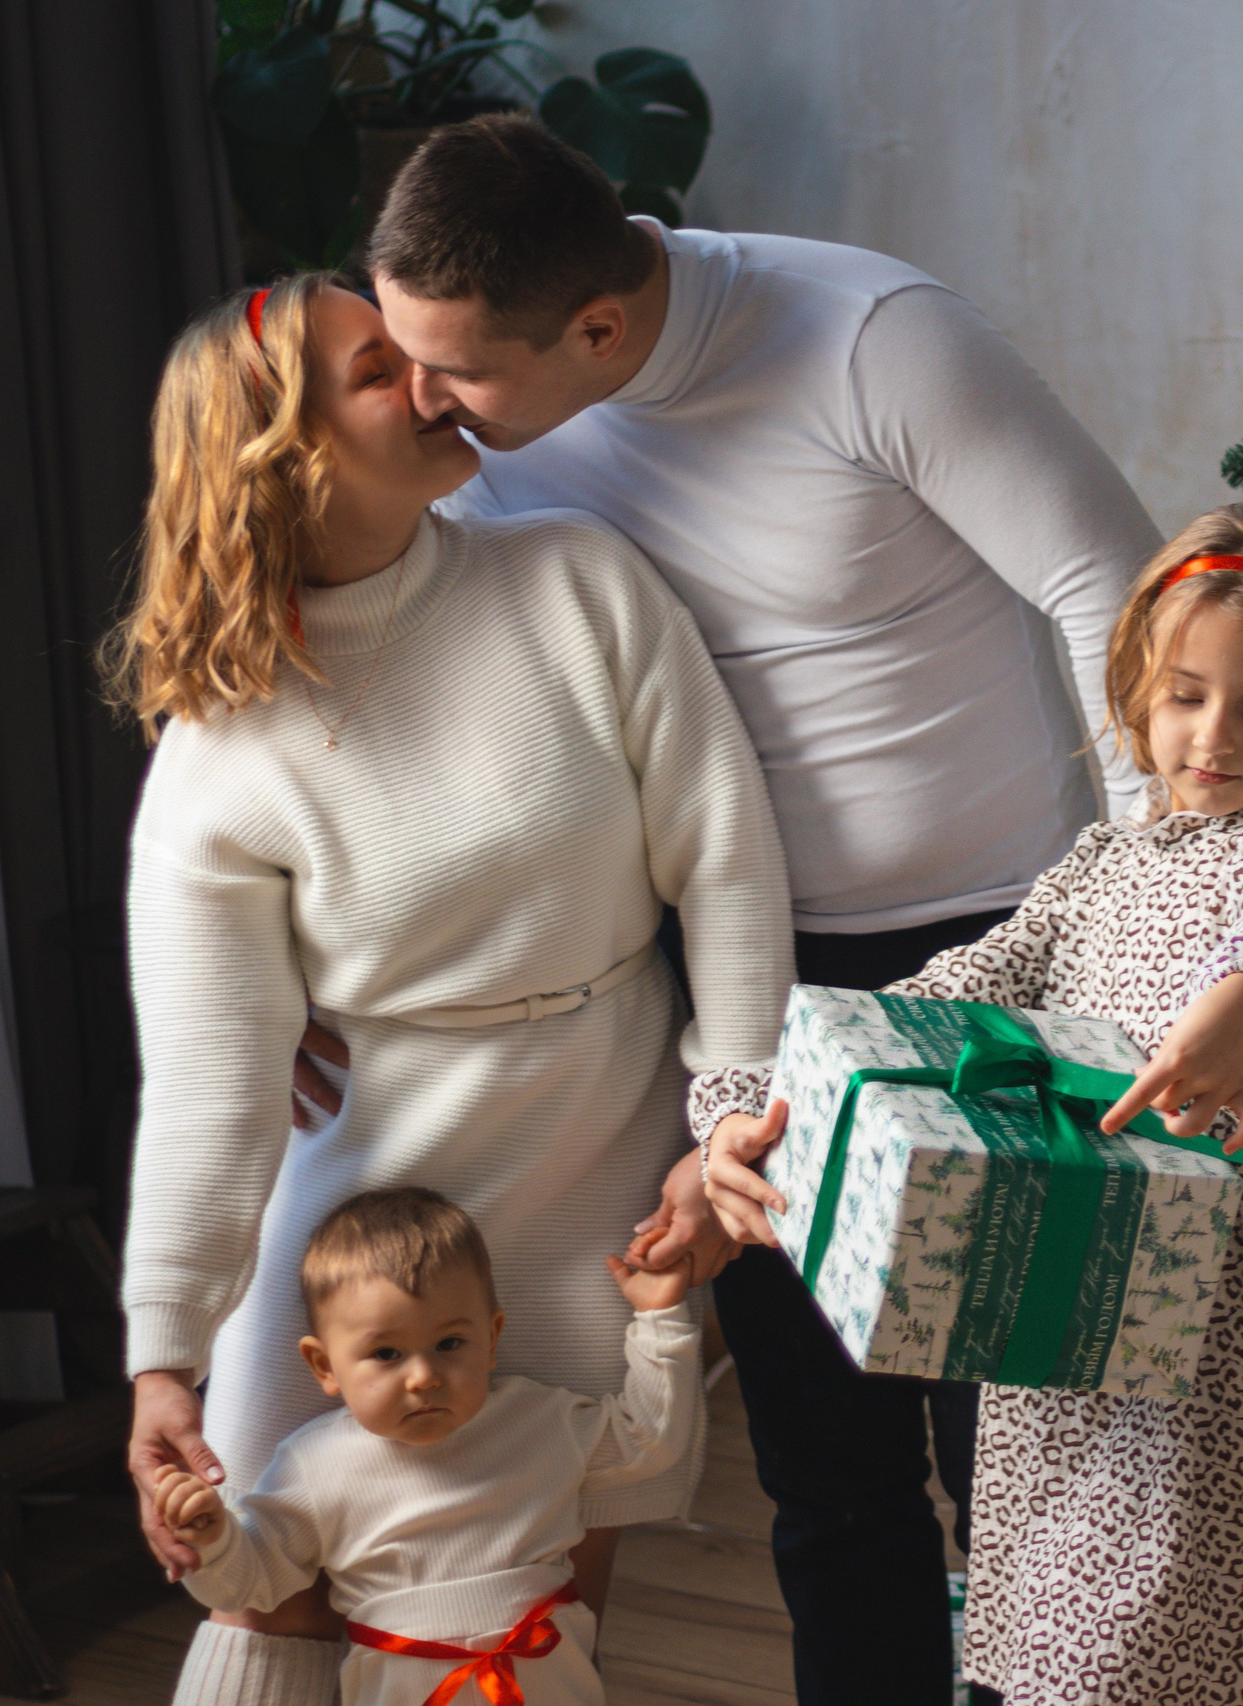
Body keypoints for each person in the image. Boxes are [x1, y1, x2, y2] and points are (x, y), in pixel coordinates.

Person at [350, 113, 1161, 1706]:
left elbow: (1111, 587)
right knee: (827, 1466)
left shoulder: (874, 340)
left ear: (595, 326)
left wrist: (1139, 915)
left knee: (1030, 1468)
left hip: (988, 960)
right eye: (402, 360)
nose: (424, 404)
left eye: (458, 374)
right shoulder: (497, 433)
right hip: (739, 988)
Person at [110, 273, 789, 1706]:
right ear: (285, 454)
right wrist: (163, 1353)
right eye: (377, 366)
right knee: (274, 1616)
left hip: (599, 1152)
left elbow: (725, 859)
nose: (431, 375)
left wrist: (722, 1116)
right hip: (359, 1204)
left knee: (521, 1613)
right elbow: (212, 1085)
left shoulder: (573, 577)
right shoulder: (220, 751)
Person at [694, 503, 1243, 1705]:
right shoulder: (1096, 867)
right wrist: (749, 1098)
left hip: (1223, 1349)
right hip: (1055, 1342)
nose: (1212, 736)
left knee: (1185, 1648)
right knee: (1053, 1645)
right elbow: (945, 990)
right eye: (1183, 696)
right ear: (1132, 692)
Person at [155, 1188, 702, 1706]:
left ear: (492, 1338)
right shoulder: (315, 1466)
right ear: (325, 1366)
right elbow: (251, 1584)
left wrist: (660, 1320)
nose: (423, 1377)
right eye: (387, 1353)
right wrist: (214, 1538)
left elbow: (647, 1440)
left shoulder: (541, 1420)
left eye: (449, 1344)